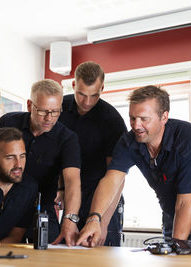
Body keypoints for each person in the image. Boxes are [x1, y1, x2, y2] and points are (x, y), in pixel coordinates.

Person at [77, 85, 191, 247]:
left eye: (144, 119)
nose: (136, 125)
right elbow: (111, 180)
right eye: (132, 118)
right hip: (171, 212)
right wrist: (95, 219)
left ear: (164, 117)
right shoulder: (129, 141)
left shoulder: (188, 139)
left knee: (190, 259)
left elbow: (185, 201)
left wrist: (178, 247)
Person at [0, 79, 81, 246]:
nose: (49, 118)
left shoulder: (67, 138)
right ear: (29, 105)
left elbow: (73, 181)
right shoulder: (7, 123)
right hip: (5, 205)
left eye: (55, 112)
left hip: (42, 207)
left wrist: (70, 219)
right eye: (42, 111)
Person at [58, 61, 127, 246]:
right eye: (81, 94)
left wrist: (102, 223)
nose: (87, 102)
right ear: (73, 85)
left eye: (94, 95)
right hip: (70, 194)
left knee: (100, 253)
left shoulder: (113, 121)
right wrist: (60, 189)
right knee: (66, 250)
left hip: (102, 198)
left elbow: (117, 178)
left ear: (102, 88)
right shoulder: (58, 108)